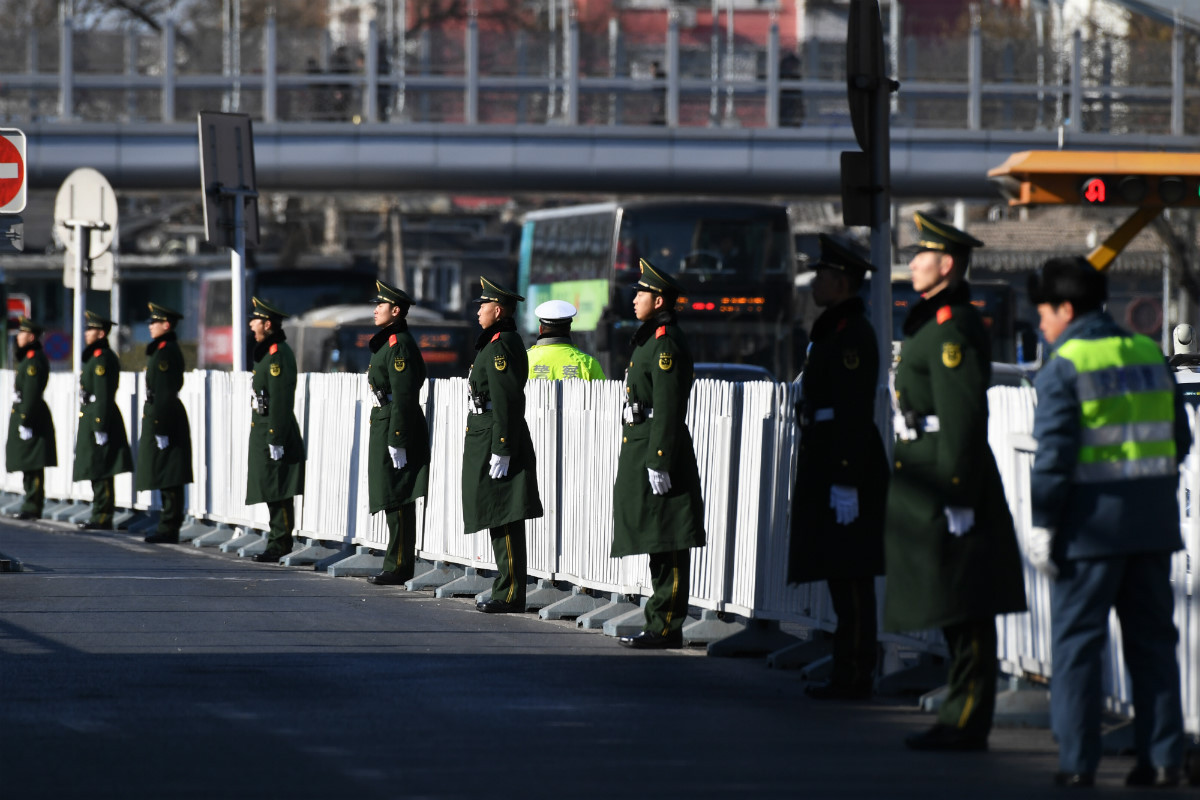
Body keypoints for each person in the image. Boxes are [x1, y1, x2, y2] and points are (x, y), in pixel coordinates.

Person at [1026, 257, 1189, 789]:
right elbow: (1180, 441)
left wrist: (1043, 523)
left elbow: (1054, 457)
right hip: (1153, 528)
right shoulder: (1147, 352)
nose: (1042, 325)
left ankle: (1078, 765)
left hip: (1089, 532)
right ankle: (1163, 759)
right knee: (1153, 646)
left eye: (1044, 313)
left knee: (1077, 647)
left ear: (1066, 309)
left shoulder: (1065, 364)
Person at [884, 212, 1027, 750]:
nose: (913, 262)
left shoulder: (954, 327)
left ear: (945, 264)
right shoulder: (935, 321)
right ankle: (959, 712)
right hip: (930, 479)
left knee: (966, 607)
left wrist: (960, 491)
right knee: (950, 602)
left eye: (921, 255)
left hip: (949, 481)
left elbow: (963, 414)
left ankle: (967, 718)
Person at [788, 235, 888, 699]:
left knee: (852, 574)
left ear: (842, 281)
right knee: (839, 571)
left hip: (845, 463)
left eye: (823, 276)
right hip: (828, 457)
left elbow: (852, 408)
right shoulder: (833, 328)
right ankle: (847, 666)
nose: (815, 283)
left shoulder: (852, 333)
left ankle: (857, 671)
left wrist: (846, 476)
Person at [611, 258, 706, 649]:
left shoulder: (665, 340)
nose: (634, 298)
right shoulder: (651, 337)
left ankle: (666, 623)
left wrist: (660, 457)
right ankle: (659, 618)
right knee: (656, 536)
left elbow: (667, 404)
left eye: (642, 293)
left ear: (660, 299)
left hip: (657, 443)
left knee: (668, 538)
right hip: (643, 441)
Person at [463, 277, 543, 613]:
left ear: (497, 310)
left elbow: (507, 399)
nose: (478, 311)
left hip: (497, 433)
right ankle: (504, 585)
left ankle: (510, 592)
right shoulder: (494, 342)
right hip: (487, 431)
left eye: (483, 305)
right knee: (497, 512)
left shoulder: (501, 345)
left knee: (506, 514)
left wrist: (503, 446)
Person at [365, 280, 430, 586]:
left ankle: (400, 565)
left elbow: (404, 394)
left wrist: (398, 438)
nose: (375, 309)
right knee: (391, 496)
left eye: (381, 305)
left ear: (396, 310)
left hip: (395, 421)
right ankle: (394, 561)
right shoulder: (389, 342)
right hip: (386, 418)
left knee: (399, 496)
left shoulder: (398, 345)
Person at [245, 297, 306, 563]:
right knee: (271, 487)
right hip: (263, 427)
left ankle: (280, 542)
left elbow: (280, 399)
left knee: (279, 488)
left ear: (267, 324)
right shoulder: (267, 352)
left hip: (274, 429)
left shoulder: (277, 354)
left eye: (255, 320)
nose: (250, 324)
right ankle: (276, 539)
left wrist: (276, 436)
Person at [138, 302, 194, 544]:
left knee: (171, 474)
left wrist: (160, 426)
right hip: (161, 417)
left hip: (166, 419)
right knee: (164, 473)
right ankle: (167, 524)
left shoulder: (165, 351)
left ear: (166, 325)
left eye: (155, 322)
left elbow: (164, 391)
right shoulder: (160, 349)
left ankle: (170, 526)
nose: (150, 326)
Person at [73, 310, 134, 531]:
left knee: (102, 469)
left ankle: (103, 516)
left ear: (100, 333)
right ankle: (98, 513)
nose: (86, 332)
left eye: (90, 329)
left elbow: (104, 394)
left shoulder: (103, 357)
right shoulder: (95, 356)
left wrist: (100, 424)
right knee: (94, 468)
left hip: (101, 418)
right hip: (91, 417)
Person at [6, 316, 56, 520]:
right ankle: (29, 502)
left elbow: (32, 392)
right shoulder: (28, 359)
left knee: (34, 464)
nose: (18, 337)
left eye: (22, 333)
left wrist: (25, 419)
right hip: (25, 414)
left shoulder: (34, 360)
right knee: (27, 463)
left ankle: (33, 505)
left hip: (32, 417)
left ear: (32, 336)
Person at [527, 299, 606, 381]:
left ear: (540, 330)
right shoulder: (588, 363)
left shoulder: (524, 360)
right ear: (569, 329)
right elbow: (603, 392)